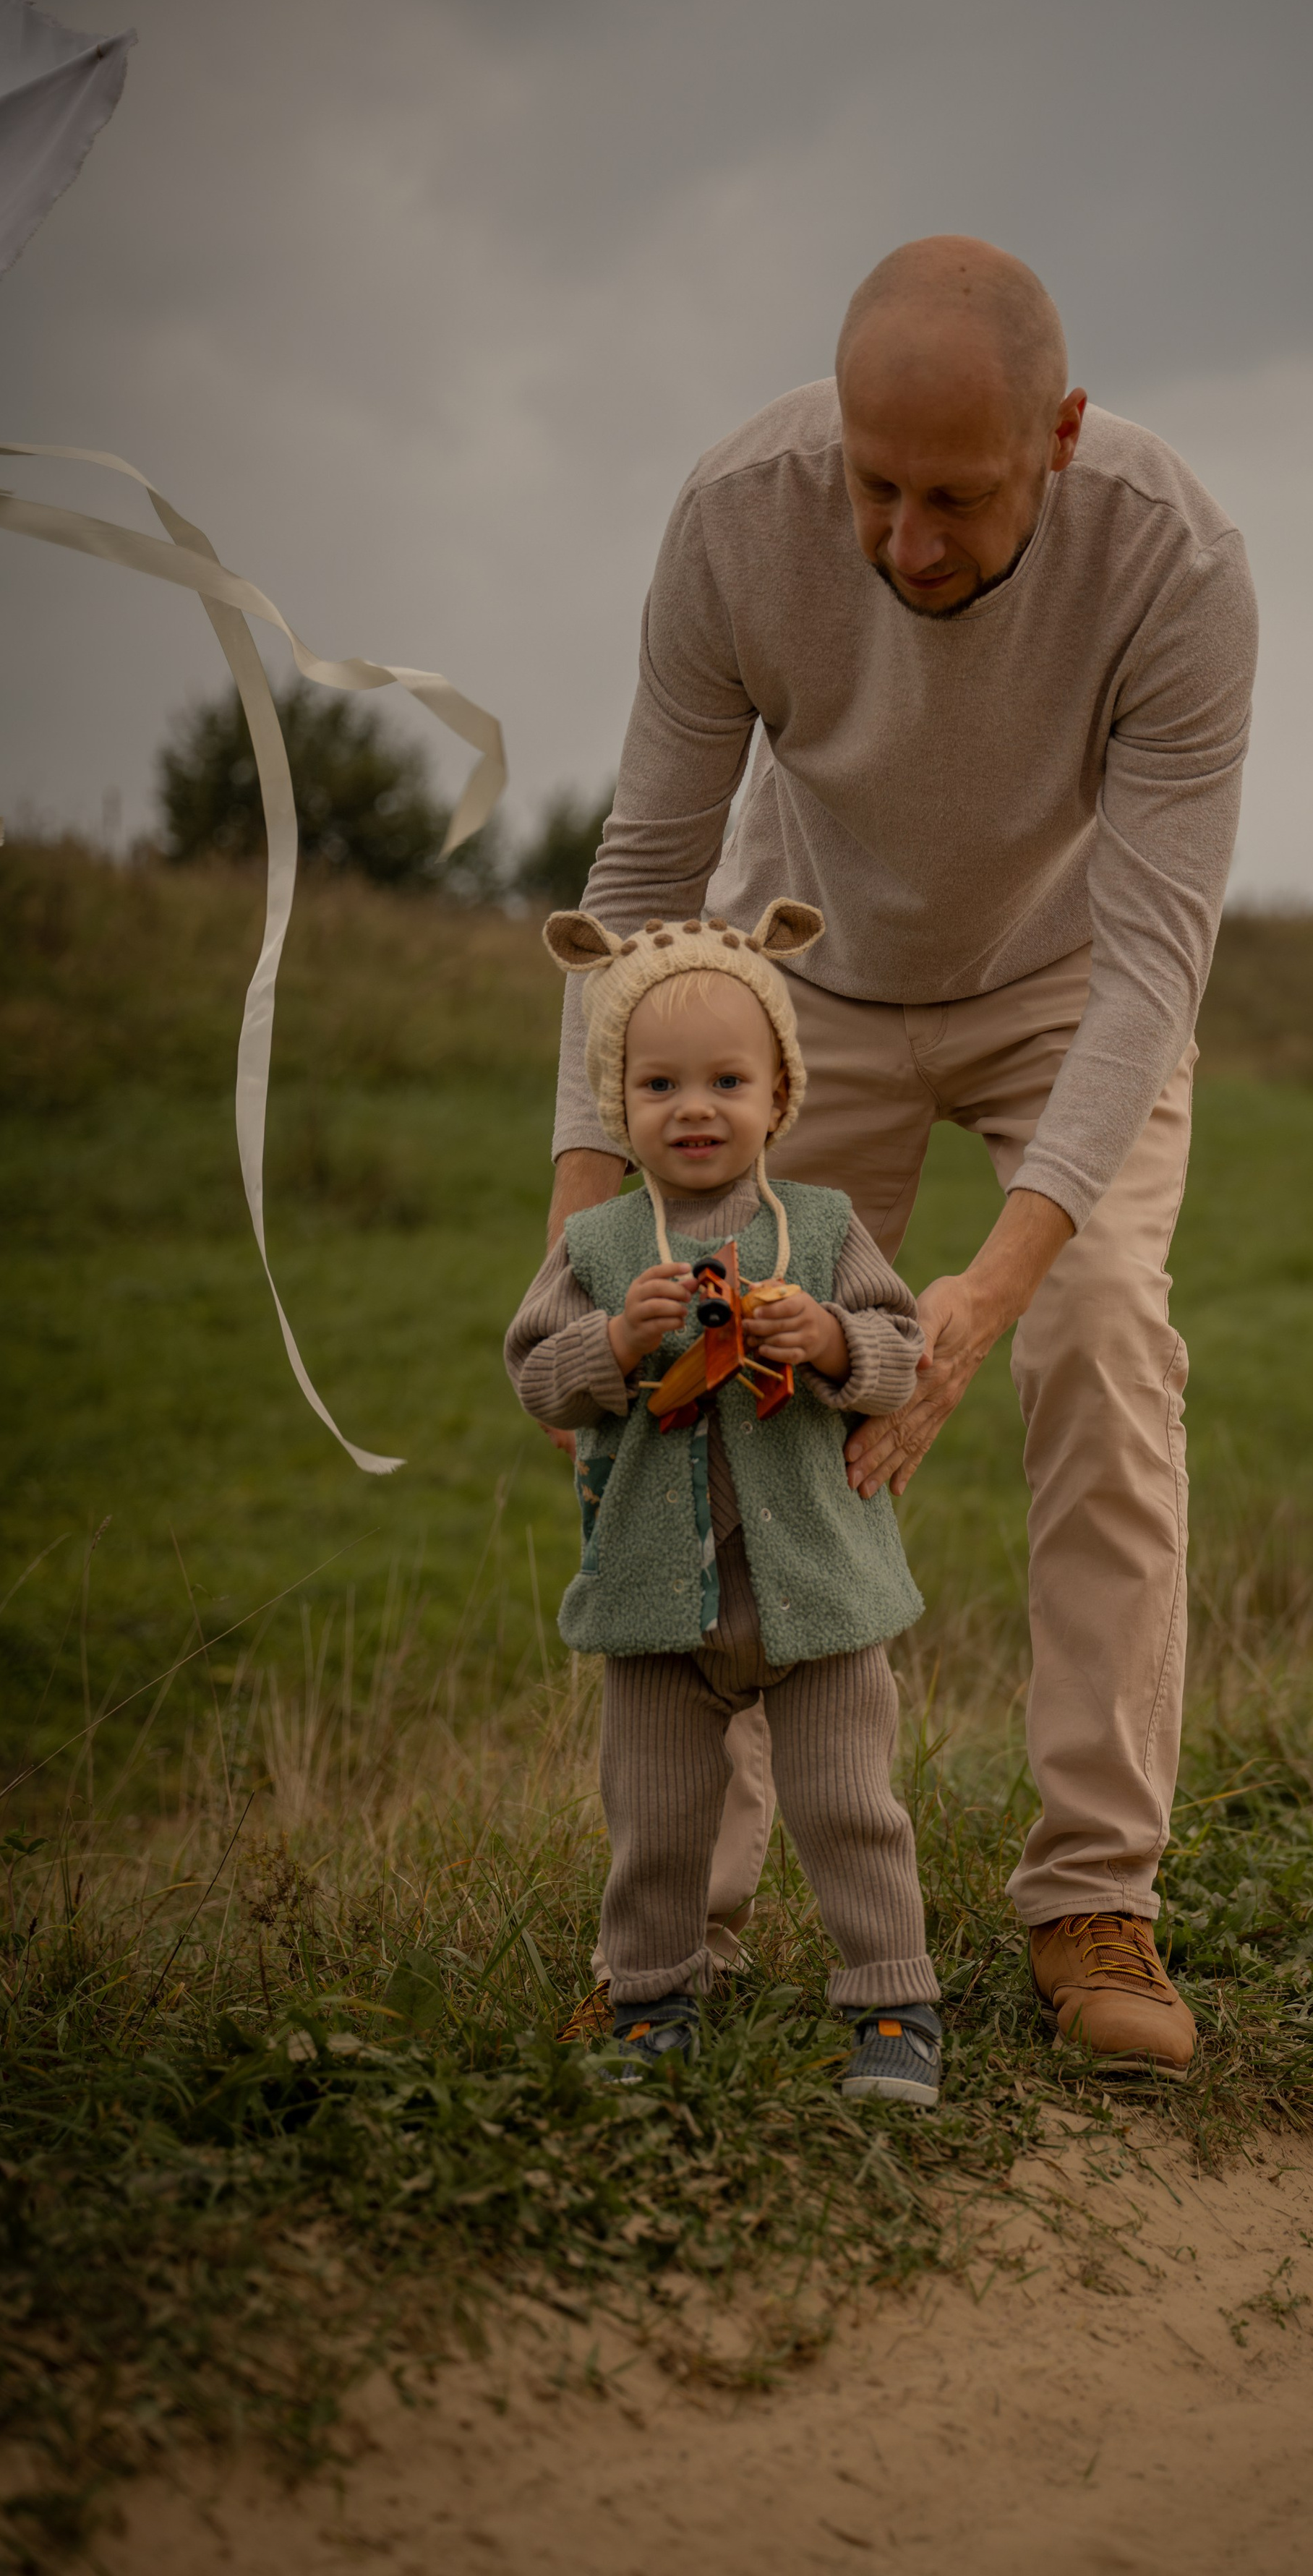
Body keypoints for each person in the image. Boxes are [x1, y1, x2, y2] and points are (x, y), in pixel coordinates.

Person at [544, 236, 1257, 2077]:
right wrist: (580, 1239)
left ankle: (1096, 1896)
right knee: (731, 1383)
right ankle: (674, 1943)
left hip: (1068, 987)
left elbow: (1162, 957)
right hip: (799, 986)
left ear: (1063, 438)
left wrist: (983, 1297)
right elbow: (637, 893)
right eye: (876, 487)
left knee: (1097, 1337)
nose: (906, 542)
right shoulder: (736, 516)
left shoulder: (1175, 561)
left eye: (958, 496)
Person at [505, 897, 944, 2107]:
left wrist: (838, 1342)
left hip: (820, 1592)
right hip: (659, 1602)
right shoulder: (599, 1246)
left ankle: (893, 2001)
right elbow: (536, 1378)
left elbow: (905, 1356)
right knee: (655, 1815)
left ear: (777, 1098)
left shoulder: (822, 1228)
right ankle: (653, 1995)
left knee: (851, 1805)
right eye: (659, 1086)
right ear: (621, 1103)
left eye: (727, 1081)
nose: (694, 1109)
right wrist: (610, 1340)